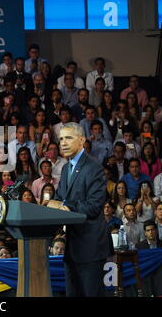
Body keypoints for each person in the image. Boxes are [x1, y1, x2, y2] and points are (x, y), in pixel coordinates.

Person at [52, 122, 112, 297]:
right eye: (61, 138)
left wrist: (66, 205)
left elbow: (94, 207)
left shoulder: (94, 168)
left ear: (82, 140)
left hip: (90, 247)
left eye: (68, 138)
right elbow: (59, 198)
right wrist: (49, 206)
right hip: (71, 247)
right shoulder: (65, 169)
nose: (63, 142)